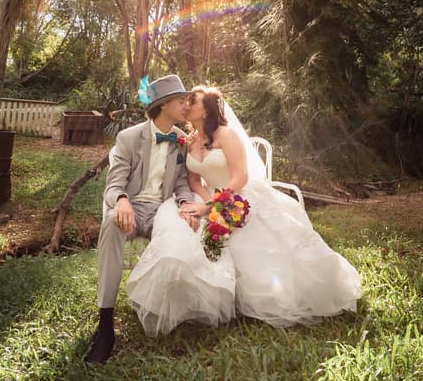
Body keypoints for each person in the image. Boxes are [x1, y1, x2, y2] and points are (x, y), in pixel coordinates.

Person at [127, 86, 362, 332]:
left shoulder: (226, 135)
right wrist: (207, 205)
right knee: (193, 233)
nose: (186, 105)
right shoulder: (190, 140)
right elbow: (195, 181)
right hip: (212, 199)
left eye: (191, 101)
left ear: (206, 110)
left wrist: (212, 205)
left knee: (252, 241)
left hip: (239, 196)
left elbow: (240, 177)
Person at [84, 75, 198, 364]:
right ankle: (105, 323)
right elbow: (113, 184)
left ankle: (171, 307)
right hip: (131, 208)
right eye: (180, 100)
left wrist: (186, 203)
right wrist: (121, 201)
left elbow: (182, 182)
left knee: (185, 227)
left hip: (163, 210)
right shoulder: (128, 138)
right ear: (162, 105)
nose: (186, 105)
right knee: (111, 223)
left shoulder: (181, 142)